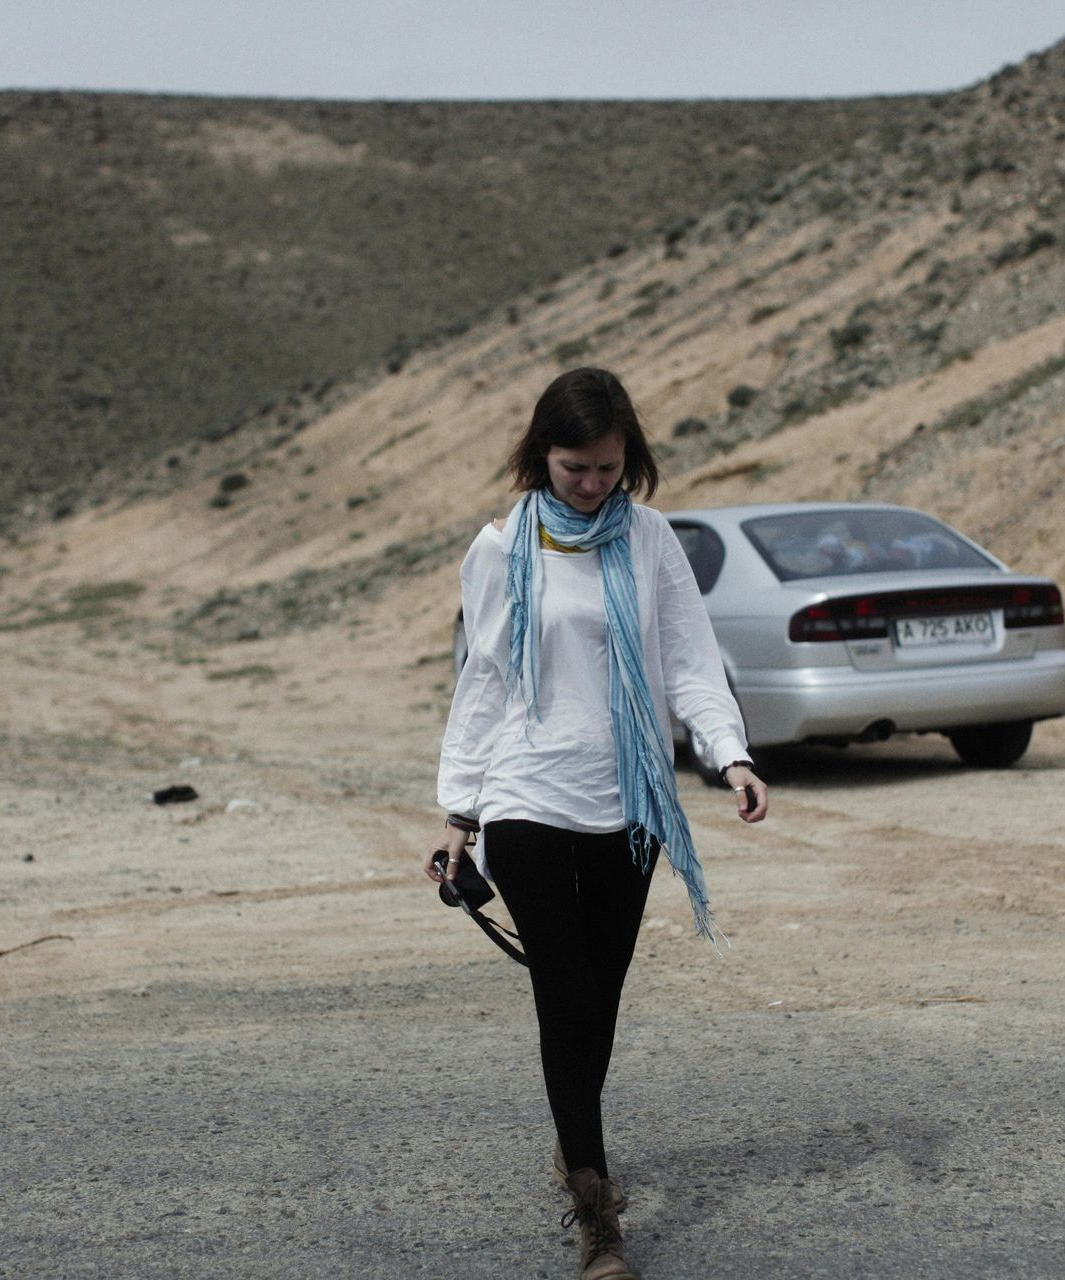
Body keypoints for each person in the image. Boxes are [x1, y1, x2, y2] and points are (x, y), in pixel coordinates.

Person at [428, 366, 769, 1280]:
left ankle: (572, 1130)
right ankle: (597, 1209)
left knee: (602, 995)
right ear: (542, 454)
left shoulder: (651, 540)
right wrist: (459, 810)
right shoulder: (504, 548)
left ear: (632, 460)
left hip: (629, 801)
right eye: (575, 467)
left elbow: (692, 661)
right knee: (565, 995)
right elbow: (486, 677)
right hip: (526, 796)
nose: (591, 484)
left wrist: (730, 752)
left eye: (608, 468)